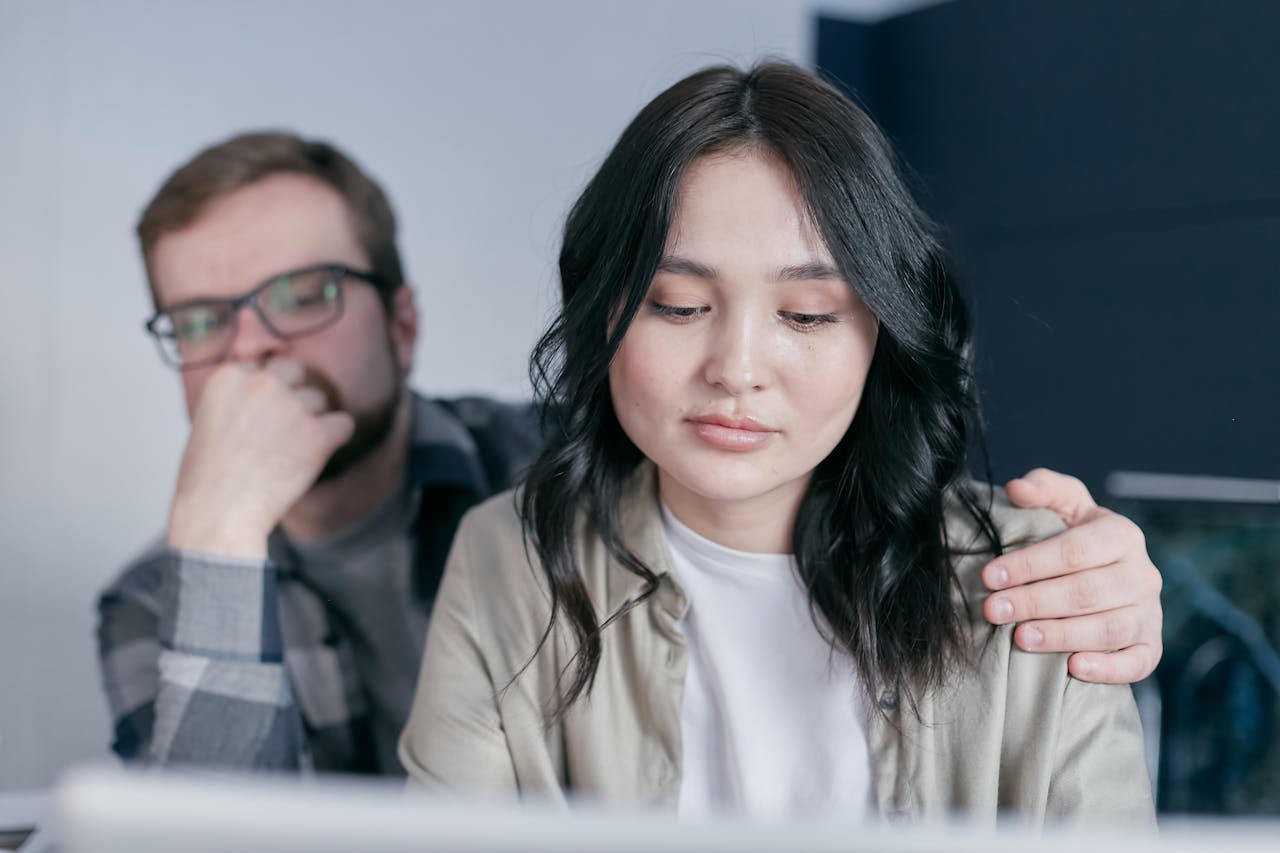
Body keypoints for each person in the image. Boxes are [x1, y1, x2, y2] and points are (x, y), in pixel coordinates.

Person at [98, 125, 1159, 777]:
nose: (253, 344)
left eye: (303, 295)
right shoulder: (165, 598)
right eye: (198, 318)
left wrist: (1086, 570)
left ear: (403, 321)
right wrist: (219, 535)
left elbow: (798, 479)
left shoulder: (568, 459)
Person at [398, 61, 1155, 824]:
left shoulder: (1038, 584)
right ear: (605, 311)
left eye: (807, 314)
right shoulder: (508, 557)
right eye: (680, 304)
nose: (737, 369)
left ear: (880, 332)